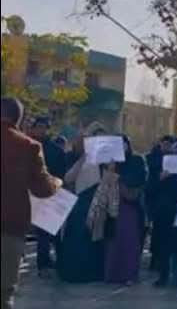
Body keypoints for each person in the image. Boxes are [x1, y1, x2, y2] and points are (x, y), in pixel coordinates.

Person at [1, 98, 63, 309]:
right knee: (4, 293)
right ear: (19, 119)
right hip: (10, 228)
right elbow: (43, 189)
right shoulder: (28, 146)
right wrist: (57, 182)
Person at [57, 133, 106, 283]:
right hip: (79, 202)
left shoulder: (101, 160)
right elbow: (68, 178)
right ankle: (73, 273)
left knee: (93, 238)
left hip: (96, 200)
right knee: (76, 237)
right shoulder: (72, 157)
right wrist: (84, 157)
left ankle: (92, 272)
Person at [103, 136, 147, 285]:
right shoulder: (111, 162)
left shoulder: (137, 160)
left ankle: (129, 275)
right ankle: (113, 275)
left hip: (130, 205)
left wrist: (121, 179)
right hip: (112, 205)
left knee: (129, 241)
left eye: (123, 144)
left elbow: (141, 178)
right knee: (113, 242)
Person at [27, 117, 68, 279]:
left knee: (53, 231)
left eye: (44, 127)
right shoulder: (28, 146)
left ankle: (58, 261)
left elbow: (62, 174)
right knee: (43, 233)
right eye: (39, 127)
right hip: (35, 193)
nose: (41, 130)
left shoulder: (56, 150)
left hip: (52, 193)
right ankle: (43, 264)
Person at [149, 141, 177, 288]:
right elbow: (151, 190)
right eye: (175, 152)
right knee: (163, 246)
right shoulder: (163, 168)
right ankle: (163, 276)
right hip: (163, 213)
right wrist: (160, 179)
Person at [146, 135, 175, 271]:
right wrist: (159, 178)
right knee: (157, 234)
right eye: (164, 144)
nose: (166, 147)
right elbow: (149, 184)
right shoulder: (153, 159)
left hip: (171, 204)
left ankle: (164, 263)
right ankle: (155, 260)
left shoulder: (176, 160)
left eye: (169, 145)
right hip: (157, 203)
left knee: (167, 235)